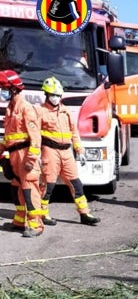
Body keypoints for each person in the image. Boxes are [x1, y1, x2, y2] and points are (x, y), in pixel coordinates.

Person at [39, 76, 100, 226]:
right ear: (46, 95)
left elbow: (74, 132)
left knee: (76, 184)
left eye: (58, 95)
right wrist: (36, 154)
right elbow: (34, 135)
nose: (55, 98)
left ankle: (84, 213)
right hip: (49, 151)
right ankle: (42, 214)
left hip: (67, 152)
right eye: (53, 95)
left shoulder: (65, 111)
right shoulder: (39, 112)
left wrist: (79, 150)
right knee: (48, 185)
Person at [0, 69, 45, 237]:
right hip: (14, 156)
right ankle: (19, 221)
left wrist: (31, 158)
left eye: (3, 89)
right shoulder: (10, 109)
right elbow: (9, 137)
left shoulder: (26, 109)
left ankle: (36, 225)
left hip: (25, 155)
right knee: (16, 189)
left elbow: (35, 138)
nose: (1, 92)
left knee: (29, 189)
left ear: (13, 89)